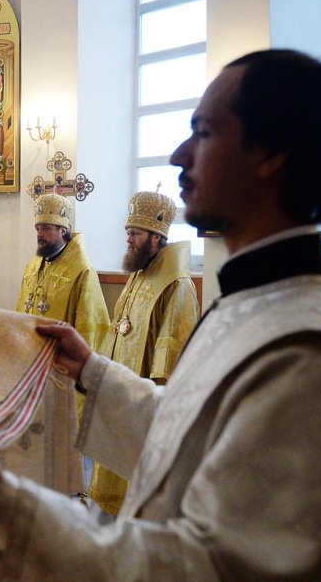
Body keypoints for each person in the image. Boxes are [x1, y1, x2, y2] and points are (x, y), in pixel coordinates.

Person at [0, 49, 321, 580]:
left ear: (271, 154)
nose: (179, 154)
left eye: (204, 132)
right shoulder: (256, 304)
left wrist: (1, 501)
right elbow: (193, 437)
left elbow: (210, 565)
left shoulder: (317, 355)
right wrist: (92, 372)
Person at [87, 190, 199, 515]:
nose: (129, 241)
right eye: (128, 234)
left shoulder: (178, 285)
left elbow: (172, 351)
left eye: (135, 234)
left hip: (145, 408)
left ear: (156, 237)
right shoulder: (137, 276)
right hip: (121, 399)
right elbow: (117, 331)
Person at [13, 192, 111, 494]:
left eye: (46, 228)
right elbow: (21, 314)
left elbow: (91, 329)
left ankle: (71, 501)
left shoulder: (82, 271)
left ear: (63, 231)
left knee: (67, 450)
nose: (39, 234)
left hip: (62, 376)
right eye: (37, 228)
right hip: (31, 372)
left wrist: (79, 376)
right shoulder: (33, 267)